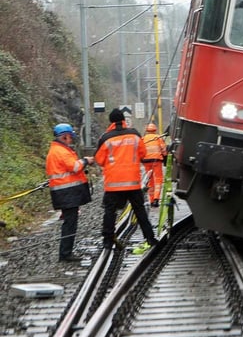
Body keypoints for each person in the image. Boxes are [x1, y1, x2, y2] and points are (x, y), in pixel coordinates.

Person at [94, 108, 158, 250]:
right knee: (140, 210)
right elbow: (143, 153)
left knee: (110, 212)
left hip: (113, 184)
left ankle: (107, 241)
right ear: (123, 119)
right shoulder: (134, 135)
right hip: (133, 183)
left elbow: (99, 159)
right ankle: (150, 238)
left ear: (111, 121)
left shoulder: (105, 138)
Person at [45, 123, 94, 262]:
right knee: (70, 223)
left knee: (70, 221)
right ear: (65, 136)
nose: (71, 139)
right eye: (70, 136)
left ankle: (66, 252)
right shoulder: (61, 151)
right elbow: (74, 167)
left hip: (64, 192)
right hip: (66, 192)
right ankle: (65, 254)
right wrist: (86, 160)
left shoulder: (57, 150)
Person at [141, 123, 167, 207]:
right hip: (156, 161)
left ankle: (151, 200)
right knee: (158, 179)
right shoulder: (158, 138)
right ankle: (156, 199)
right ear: (155, 130)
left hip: (146, 161)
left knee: (150, 180)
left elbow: (140, 151)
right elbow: (164, 150)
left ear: (147, 130)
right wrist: (165, 157)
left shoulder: (143, 139)